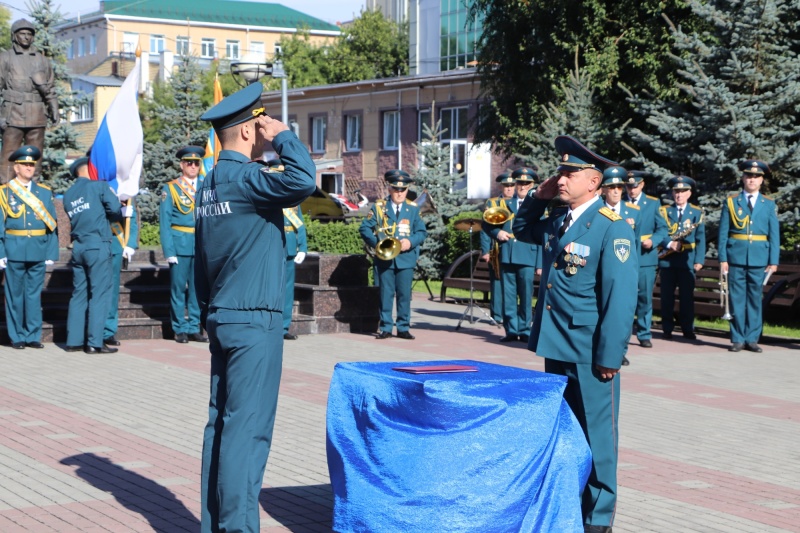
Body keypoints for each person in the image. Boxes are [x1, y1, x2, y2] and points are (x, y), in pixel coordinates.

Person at [195, 82, 316, 533]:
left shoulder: (208, 185)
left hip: (223, 315)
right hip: (254, 320)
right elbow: (303, 181)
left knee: (220, 427)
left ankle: (215, 525)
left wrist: (210, 311)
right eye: (260, 126)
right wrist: (284, 137)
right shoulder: (248, 179)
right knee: (248, 430)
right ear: (248, 132)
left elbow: (202, 260)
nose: (265, 133)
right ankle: (239, 527)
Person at [513, 135, 638, 533]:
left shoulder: (611, 229)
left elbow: (620, 299)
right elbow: (520, 227)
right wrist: (537, 194)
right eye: (560, 172)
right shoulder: (557, 222)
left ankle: (598, 520)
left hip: (590, 352)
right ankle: (568, 508)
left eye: (570, 173)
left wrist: (610, 355)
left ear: (594, 181)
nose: (561, 179)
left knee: (599, 439)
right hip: (557, 345)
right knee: (568, 434)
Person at [63, 157, 124, 354]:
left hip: (79, 247)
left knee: (78, 293)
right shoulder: (99, 186)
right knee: (99, 294)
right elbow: (115, 209)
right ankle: (94, 342)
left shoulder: (69, 194)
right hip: (98, 245)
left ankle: (73, 341)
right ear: (89, 169)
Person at [718, 160, 779, 352]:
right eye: (748, 176)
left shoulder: (768, 204)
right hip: (735, 257)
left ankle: (752, 338)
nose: (752, 180)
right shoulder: (731, 201)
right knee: (736, 298)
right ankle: (737, 338)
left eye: (756, 177)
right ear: (743, 178)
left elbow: (774, 233)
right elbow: (723, 232)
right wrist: (723, 259)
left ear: (761, 180)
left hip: (759, 258)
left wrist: (773, 261)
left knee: (754, 298)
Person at [0, 145, 58, 349]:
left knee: (34, 295)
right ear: (16, 168)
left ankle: (32, 335)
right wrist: (1, 253)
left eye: (31, 164)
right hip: (14, 249)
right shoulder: (5, 192)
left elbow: (52, 225)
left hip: (38, 249)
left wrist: (51, 252)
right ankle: (16, 337)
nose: (29, 168)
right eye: (24, 164)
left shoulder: (44, 192)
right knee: (15, 295)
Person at [359, 170, 427, 340]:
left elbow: (421, 231)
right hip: (385, 258)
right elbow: (364, 228)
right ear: (389, 189)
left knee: (404, 294)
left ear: (407, 190)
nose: (399, 193)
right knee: (385, 293)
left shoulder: (412, 208)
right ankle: (386, 327)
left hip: (406, 257)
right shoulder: (379, 207)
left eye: (403, 190)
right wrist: (378, 244)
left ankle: (403, 327)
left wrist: (410, 242)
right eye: (396, 189)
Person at [485, 167, 541, 342]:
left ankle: (525, 329)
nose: (522, 186)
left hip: (527, 255)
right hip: (507, 253)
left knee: (525, 294)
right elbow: (486, 225)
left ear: (532, 185)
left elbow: (542, 235)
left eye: (527, 183)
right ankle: (511, 330)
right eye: (520, 183)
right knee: (508, 294)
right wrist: (497, 233)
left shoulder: (536, 207)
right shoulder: (503, 205)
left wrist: (540, 264)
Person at [0, 19, 59, 183]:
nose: (26, 37)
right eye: (22, 33)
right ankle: (5, 190)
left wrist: (54, 108)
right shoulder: (5, 58)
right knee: (9, 153)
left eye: (29, 34)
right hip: (13, 114)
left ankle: (33, 188)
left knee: (35, 153)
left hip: (37, 114)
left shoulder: (42, 60)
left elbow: (50, 87)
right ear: (14, 35)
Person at [160, 145, 208, 344]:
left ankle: (194, 326)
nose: (193, 166)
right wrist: (169, 250)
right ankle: (179, 328)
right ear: (181, 165)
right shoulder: (171, 188)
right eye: (189, 163)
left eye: (196, 163)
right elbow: (165, 222)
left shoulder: (206, 186)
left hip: (200, 244)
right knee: (178, 288)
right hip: (179, 244)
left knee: (197, 289)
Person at [623, 170, 668, 348]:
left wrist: (654, 241)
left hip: (645, 256)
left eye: (634, 186)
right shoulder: (620, 203)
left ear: (641, 185)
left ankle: (644, 333)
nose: (631, 190)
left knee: (644, 297)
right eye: (628, 186)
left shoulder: (652, 203)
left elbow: (662, 229)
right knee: (624, 297)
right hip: (624, 256)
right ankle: (624, 333)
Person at [658, 176, 706, 340]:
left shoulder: (696, 212)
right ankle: (667, 328)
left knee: (687, 297)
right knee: (666, 297)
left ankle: (687, 329)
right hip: (667, 260)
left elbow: (701, 238)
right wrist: (669, 243)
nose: (679, 195)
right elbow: (660, 232)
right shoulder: (665, 211)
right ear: (672, 193)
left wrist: (699, 260)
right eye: (676, 191)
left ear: (689, 193)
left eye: (683, 191)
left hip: (687, 260)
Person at [601, 165, 640, 365]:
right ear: (604, 190)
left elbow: (639, 241)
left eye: (619, 187)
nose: (616, 191)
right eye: (611, 187)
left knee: (624, 308)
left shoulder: (633, 210)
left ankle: (621, 349)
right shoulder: (597, 211)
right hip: (607, 268)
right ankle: (611, 349)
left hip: (629, 267)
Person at [267, 158, 308, 341]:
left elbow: (300, 223)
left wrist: (303, 247)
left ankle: (284, 326)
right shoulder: (266, 195)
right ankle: (270, 326)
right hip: (271, 247)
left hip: (290, 247)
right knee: (270, 288)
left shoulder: (291, 197)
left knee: (287, 289)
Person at [103, 194, 138, 347]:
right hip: (98, 241)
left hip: (116, 243)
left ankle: (108, 331)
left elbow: (132, 220)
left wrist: (130, 244)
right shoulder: (98, 187)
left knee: (112, 290)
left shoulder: (125, 191)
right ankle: (94, 328)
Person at [480, 171, 515, 324]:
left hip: (516, 248)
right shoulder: (492, 203)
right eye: (506, 186)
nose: (509, 189)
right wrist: (485, 250)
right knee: (497, 281)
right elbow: (485, 228)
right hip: (497, 248)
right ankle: (497, 315)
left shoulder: (522, 202)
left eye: (512, 185)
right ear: (501, 187)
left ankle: (511, 315)